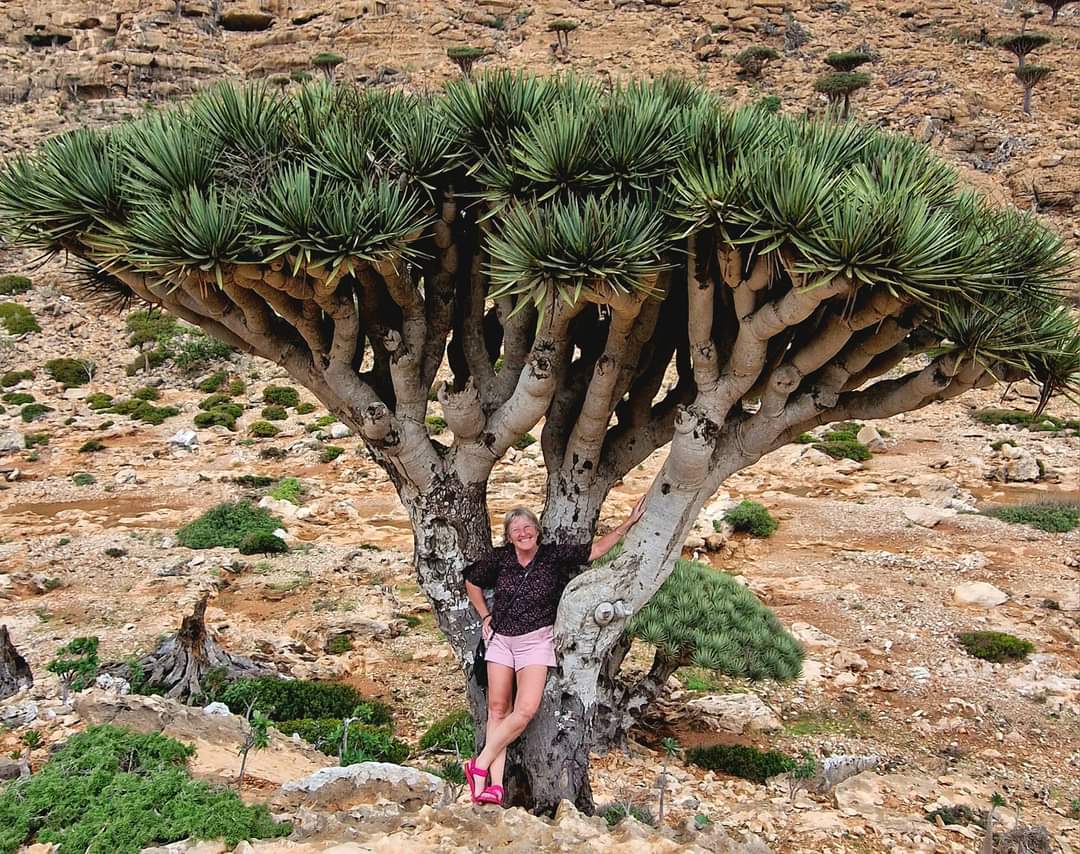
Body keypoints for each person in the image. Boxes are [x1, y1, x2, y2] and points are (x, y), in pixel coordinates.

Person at [461, 495, 647, 806]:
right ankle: (490, 786)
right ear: (508, 536)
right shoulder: (500, 559)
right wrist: (485, 615)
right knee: (497, 710)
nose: (523, 532)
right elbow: (472, 580)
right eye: (516, 529)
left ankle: (477, 765)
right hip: (501, 641)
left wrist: (628, 523)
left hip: (536, 641)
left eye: (528, 526)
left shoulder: (551, 557)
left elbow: (595, 551)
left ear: (537, 530)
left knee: (525, 711)